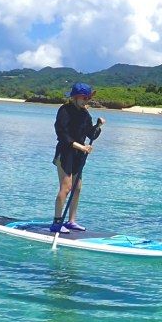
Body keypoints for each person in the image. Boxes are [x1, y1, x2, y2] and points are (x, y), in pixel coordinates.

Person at [50, 83, 105, 233]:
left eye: (88, 98)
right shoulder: (64, 110)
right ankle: (56, 223)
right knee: (66, 187)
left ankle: (71, 221)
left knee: (77, 188)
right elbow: (61, 134)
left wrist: (98, 126)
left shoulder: (84, 114)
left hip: (78, 155)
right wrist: (81, 147)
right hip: (65, 153)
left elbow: (90, 134)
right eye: (84, 97)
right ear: (75, 97)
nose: (87, 100)